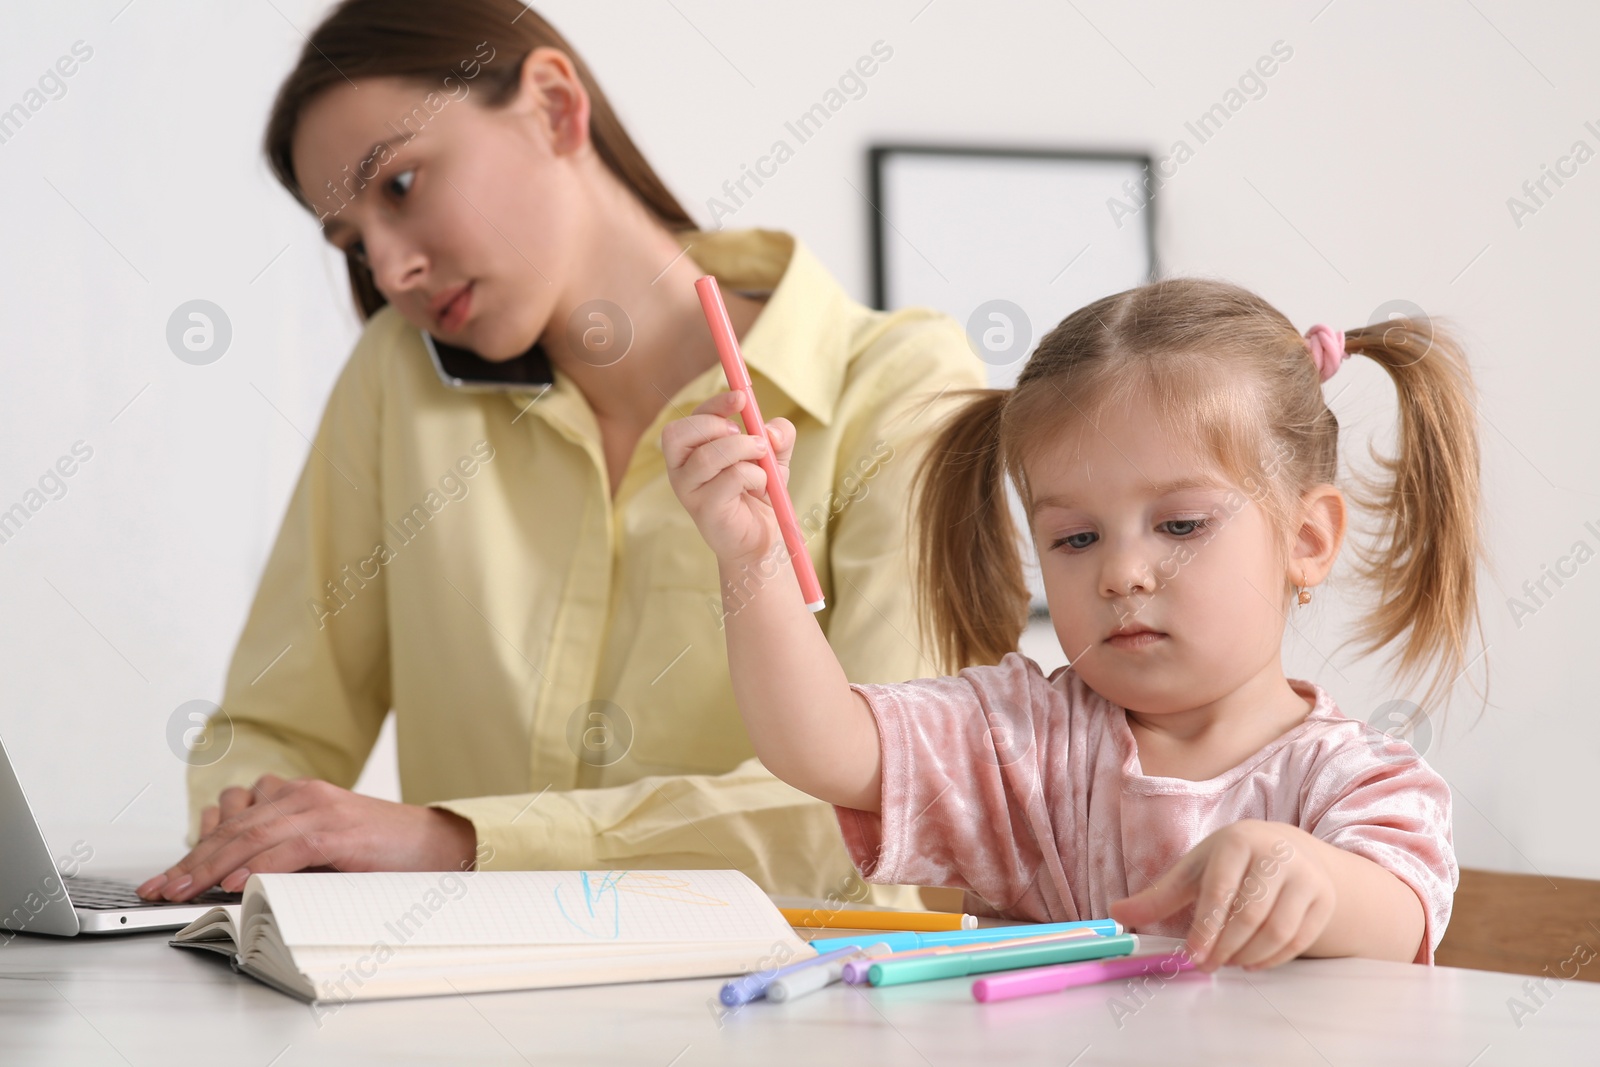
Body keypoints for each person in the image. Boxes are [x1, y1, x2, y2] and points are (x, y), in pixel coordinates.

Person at [138, 0, 980, 905]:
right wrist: (252, 835)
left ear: (551, 106)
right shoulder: (396, 377)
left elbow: (887, 796)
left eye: (401, 186)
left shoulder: (900, 391)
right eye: (353, 244)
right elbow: (276, 725)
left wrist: (452, 841)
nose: (388, 271)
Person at [663, 278, 1483, 970]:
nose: (1120, 571)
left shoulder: (1361, 781)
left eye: (1181, 525)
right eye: (1076, 537)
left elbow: (1400, 910)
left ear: (1306, 540)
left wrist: (1312, 876)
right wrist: (754, 559)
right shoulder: (1021, 740)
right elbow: (821, 745)